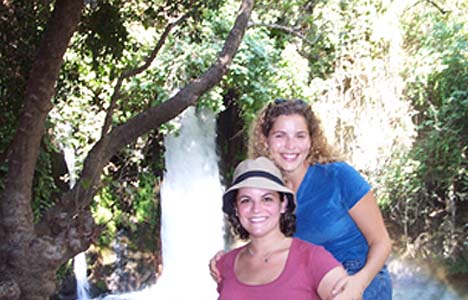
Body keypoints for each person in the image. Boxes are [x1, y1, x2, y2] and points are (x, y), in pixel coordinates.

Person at [212, 99, 393, 300]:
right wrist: (229, 259)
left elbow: (381, 241)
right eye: (280, 136)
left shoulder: (338, 176)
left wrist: (358, 283)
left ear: (311, 140)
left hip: (359, 279)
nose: (290, 145)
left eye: (300, 136)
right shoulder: (269, 192)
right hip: (309, 284)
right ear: (265, 141)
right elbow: (268, 243)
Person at [216, 156, 349, 300]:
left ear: (283, 204)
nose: (256, 209)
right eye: (246, 200)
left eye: (267, 199)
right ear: (236, 208)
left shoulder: (312, 258)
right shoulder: (225, 264)